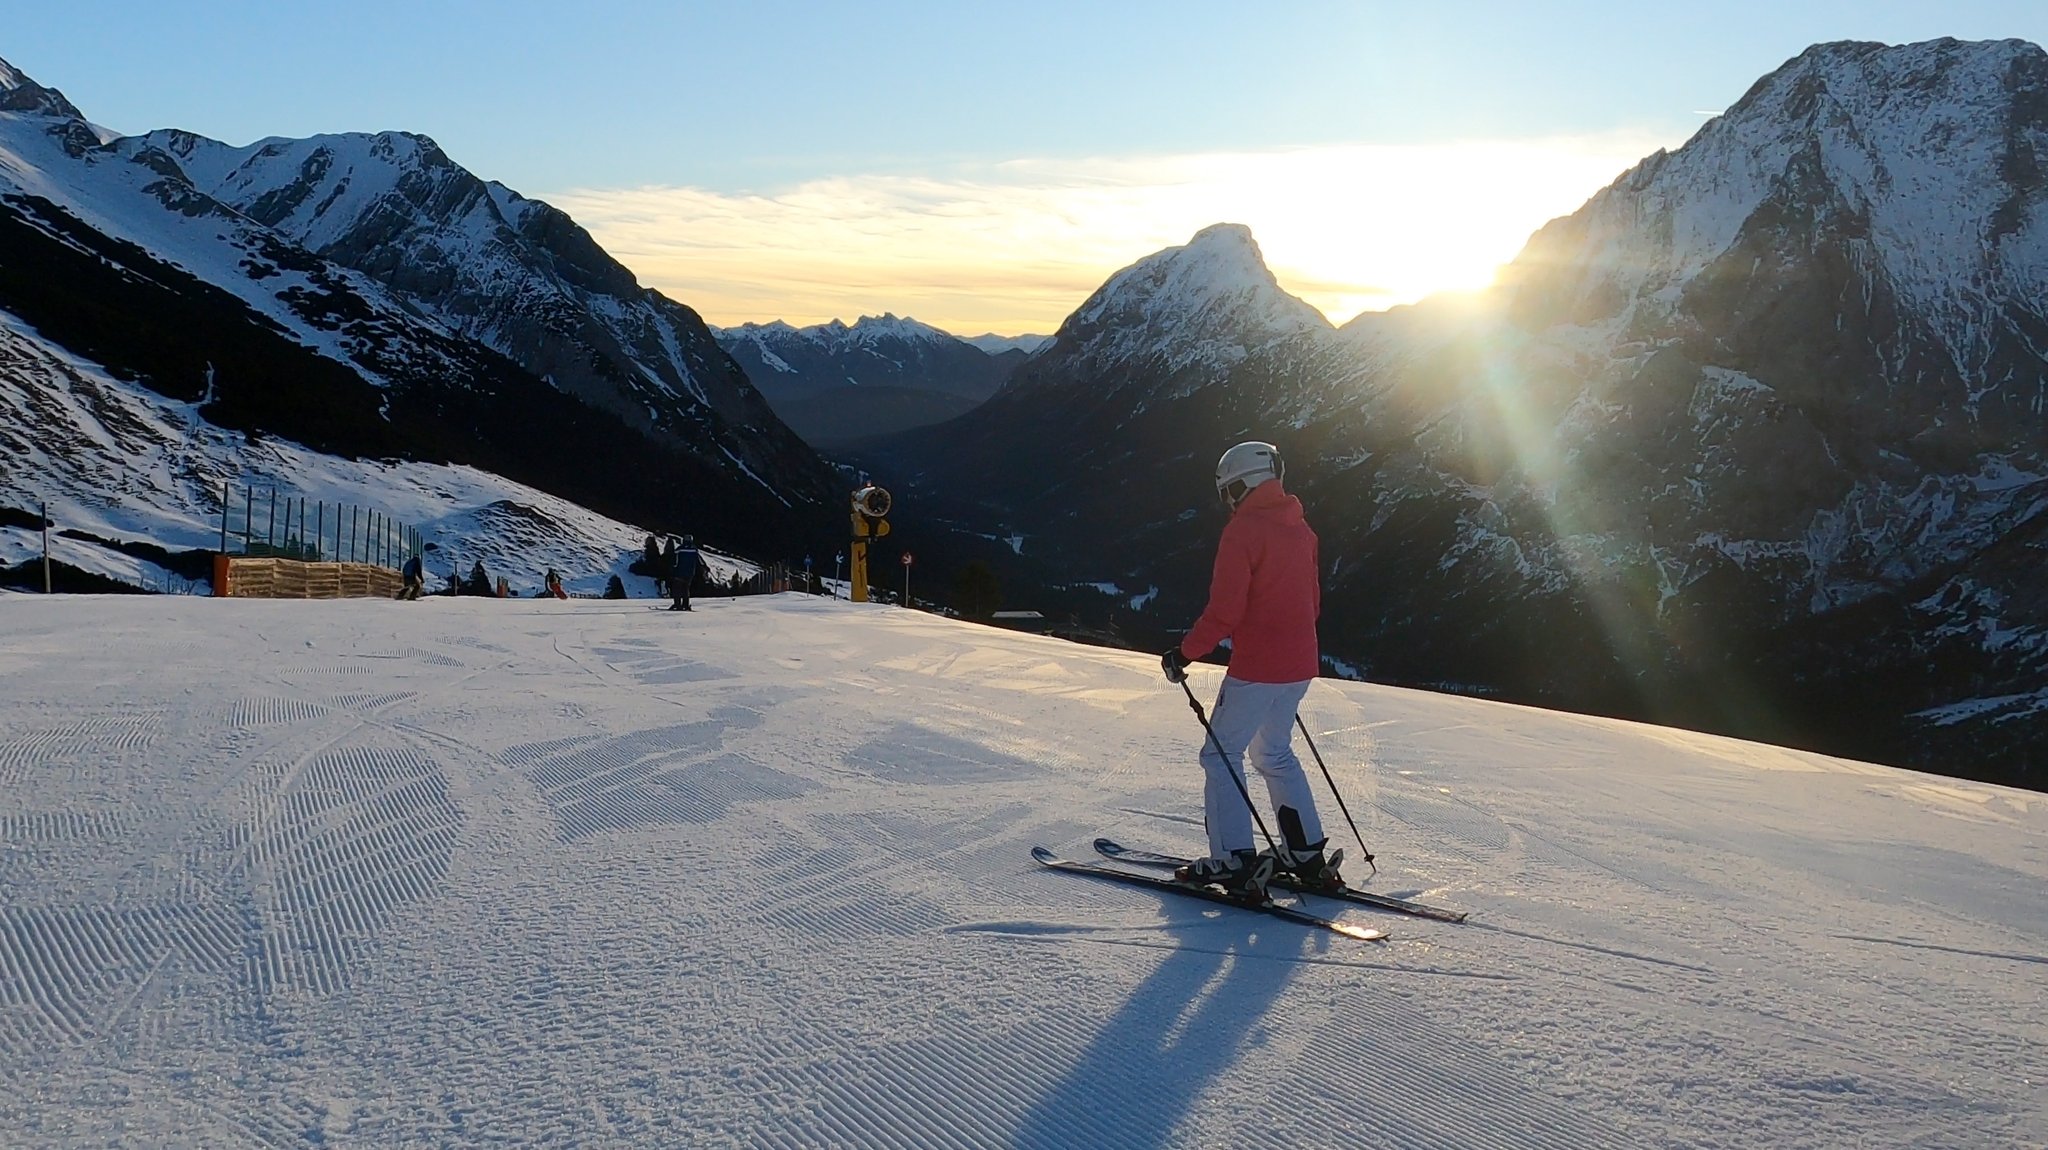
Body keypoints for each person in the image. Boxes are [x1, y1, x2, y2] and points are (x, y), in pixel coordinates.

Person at [1159, 441, 1343, 899]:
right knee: (1274, 753)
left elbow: (1225, 611)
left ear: (1241, 484)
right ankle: (1304, 853)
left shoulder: (1243, 532)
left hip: (1259, 666)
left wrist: (1184, 654)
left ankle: (1232, 861)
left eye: (1228, 491)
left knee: (1220, 754)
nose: (1228, 501)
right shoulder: (1302, 531)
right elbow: (1313, 605)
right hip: (1299, 664)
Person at [667, 535, 700, 611]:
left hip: (679, 572)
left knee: (677, 588)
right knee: (686, 588)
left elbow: (675, 561)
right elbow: (698, 560)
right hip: (690, 573)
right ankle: (686, 605)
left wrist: (672, 569)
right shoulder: (694, 549)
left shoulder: (679, 549)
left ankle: (677, 604)